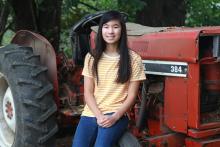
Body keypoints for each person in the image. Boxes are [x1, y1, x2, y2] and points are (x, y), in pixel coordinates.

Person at [72, 10, 146, 147]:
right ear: (101, 30)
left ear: (122, 30)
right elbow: (88, 93)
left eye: (115, 27)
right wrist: (99, 116)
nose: (110, 31)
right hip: (91, 113)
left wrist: (115, 117)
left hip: (116, 114)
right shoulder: (91, 58)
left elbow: (132, 95)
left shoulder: (133, 59)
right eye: (106, 27)